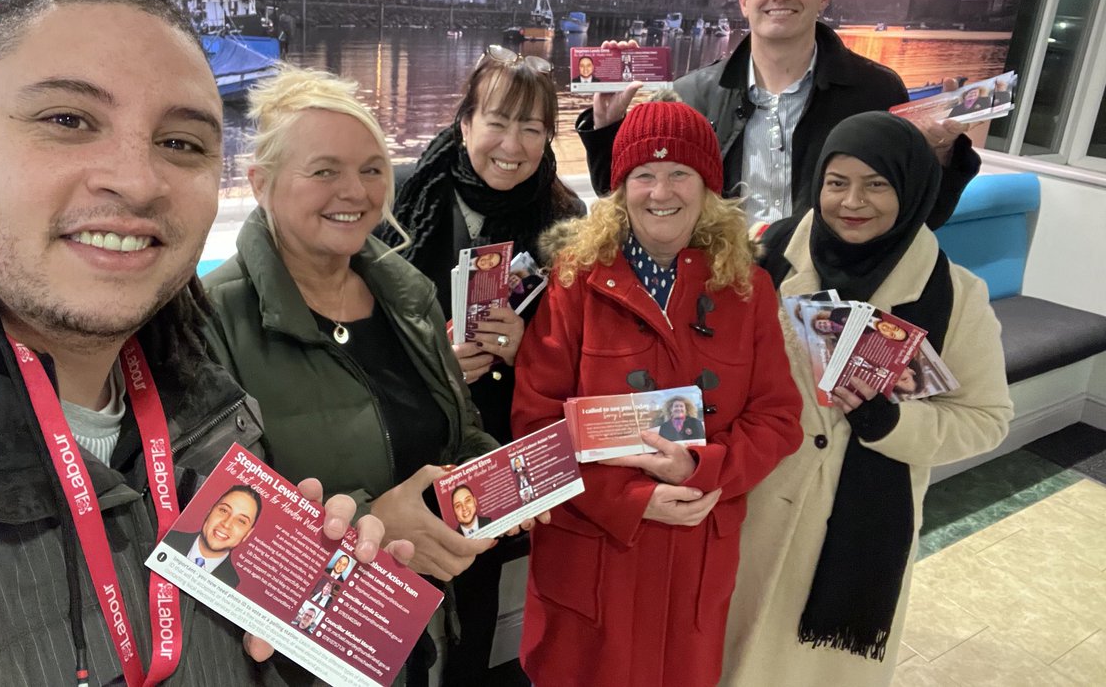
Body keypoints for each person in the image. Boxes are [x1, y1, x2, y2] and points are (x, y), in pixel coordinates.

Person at [0, 0, 404, 686]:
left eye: (180, 144)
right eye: (68, 120)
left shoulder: (212, 411)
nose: (136, 181)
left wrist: (320, 616)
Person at [202, 69, 535, 684]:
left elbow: (457, 433)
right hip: (301, 661)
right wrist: (369, 525)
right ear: (262, 184)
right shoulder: (210, 317)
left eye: (372, 169)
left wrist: (502, 484)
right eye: (324, 170)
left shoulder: (407, 296)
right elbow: (209, 525)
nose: (354, 191)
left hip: (422, 629)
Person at [512, 97, 803, 686]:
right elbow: (535, 428)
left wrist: (703, 467)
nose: (660, 190)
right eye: (643, 174)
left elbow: (778, 417)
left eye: (680, 173)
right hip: (594, 560)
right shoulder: (574, 282)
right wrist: (628, 499)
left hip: (693, 563)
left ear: (708, 187)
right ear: (620, 189)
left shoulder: (750, 290)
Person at [721, 112, 1012, 686]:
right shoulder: (770, 256)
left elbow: (986, 420)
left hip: (858, 526)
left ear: (910, 188)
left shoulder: (954, 295)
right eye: (837, 182)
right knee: (726, 652)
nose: (853, 201)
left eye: (877, 184)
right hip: (751, 507)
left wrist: (889, 423)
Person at [386, 44, 584, 682]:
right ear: (464, 122)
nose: (513, 144)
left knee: (472, 609)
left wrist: (529, 346)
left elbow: (584, 357)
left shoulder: (565, 223)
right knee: (391, 615)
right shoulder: (401, 199)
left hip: (497, 447)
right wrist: (431, 354)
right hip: (403, 443)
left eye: (532, 128)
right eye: (497, 121)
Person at [577, 0, 980, 227]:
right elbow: (630, 199)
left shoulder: (875, 91)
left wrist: (941, 156)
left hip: (825, 299)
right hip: (717, 293)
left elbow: (924, 217)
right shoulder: (691, 95)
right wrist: (607, 128)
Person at [164, 485, 263, 588]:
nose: (226, 524)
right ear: (210, 511)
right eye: (224, 511)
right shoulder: (167, 538)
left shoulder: (234, 584)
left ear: (247, 534)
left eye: (241, 521)